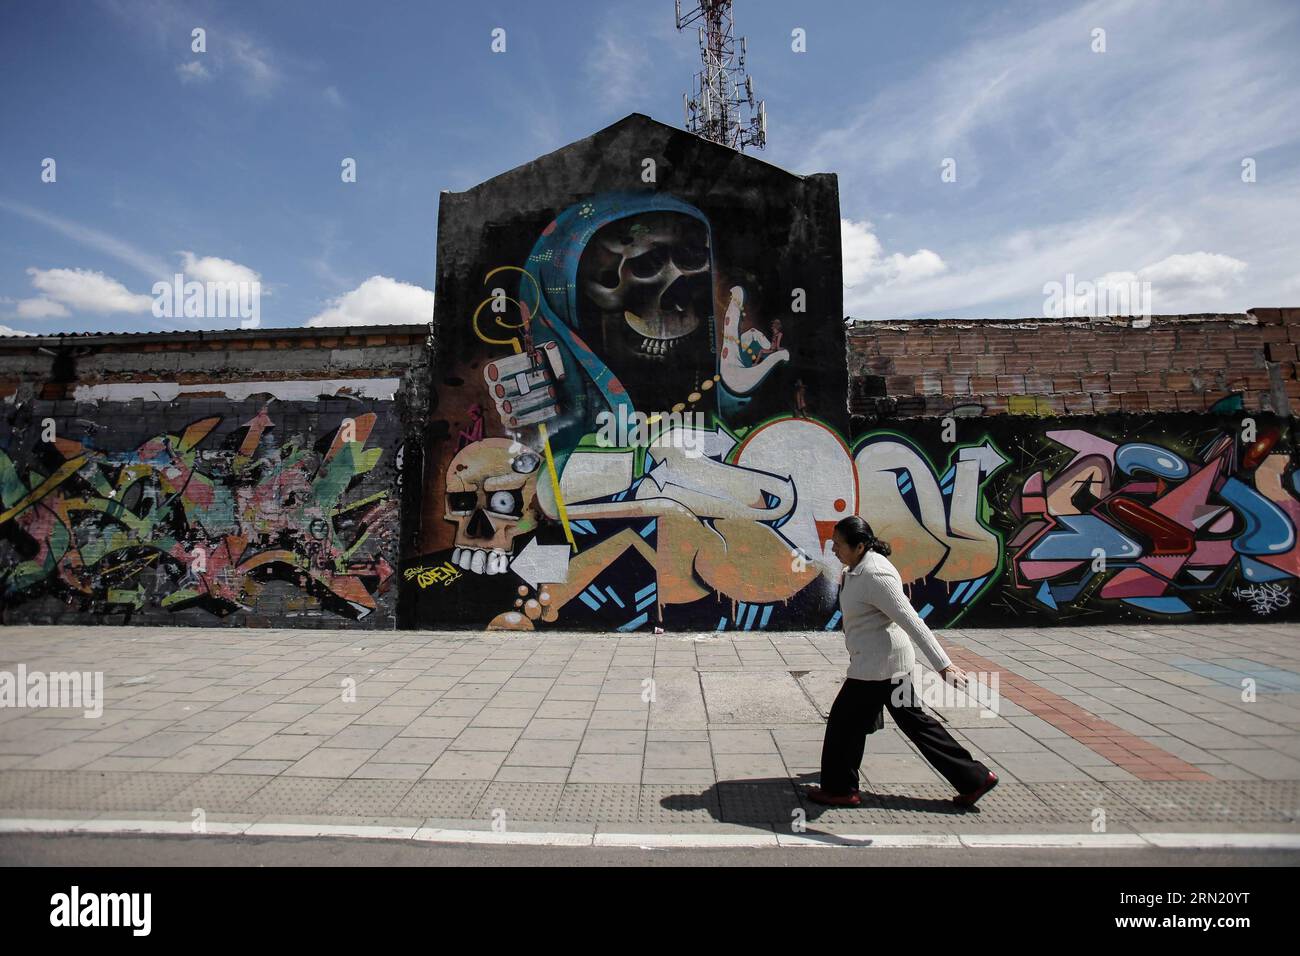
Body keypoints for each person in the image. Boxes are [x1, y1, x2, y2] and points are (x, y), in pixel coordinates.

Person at [805, 515, 999, 808]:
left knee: (843, 724)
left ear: (859, 546)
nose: (833, 549)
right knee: (913, 723)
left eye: (839, 544)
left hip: (877, 668)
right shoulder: (857, 568)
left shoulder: (875, 575)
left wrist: (944, 665)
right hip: (884, 665)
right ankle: (973, 778)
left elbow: (912, 621)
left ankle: (840, 789)